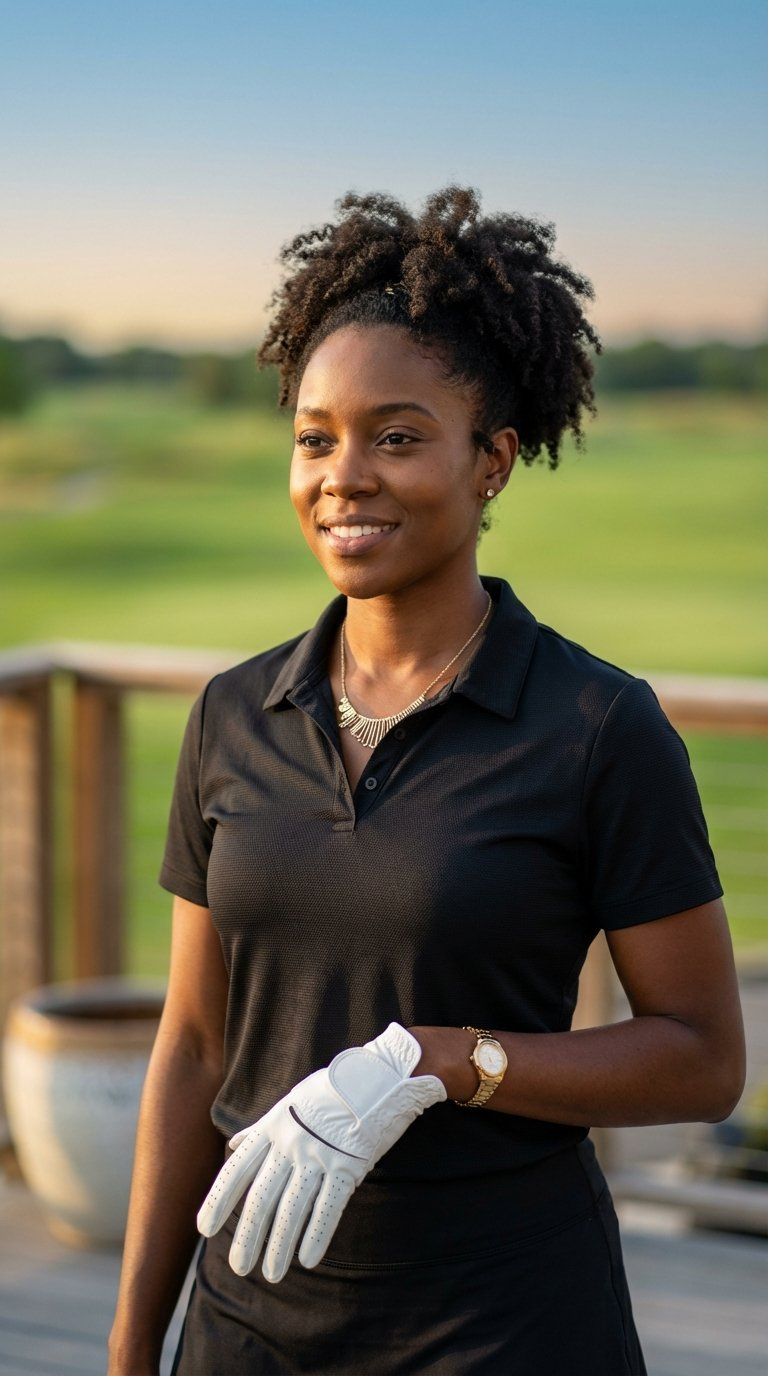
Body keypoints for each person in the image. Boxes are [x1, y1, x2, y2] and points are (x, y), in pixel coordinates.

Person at [108, 187, 745, 1376]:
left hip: (501, 1323)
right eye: (315, 436)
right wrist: (131, 1340)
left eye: (397, 436)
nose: (343, 475)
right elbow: (194, 1047)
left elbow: (703, 1058)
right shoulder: (234, 713)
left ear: (493, 459)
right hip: (248, 1327)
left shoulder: (598, 726)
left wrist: (444, 1059)